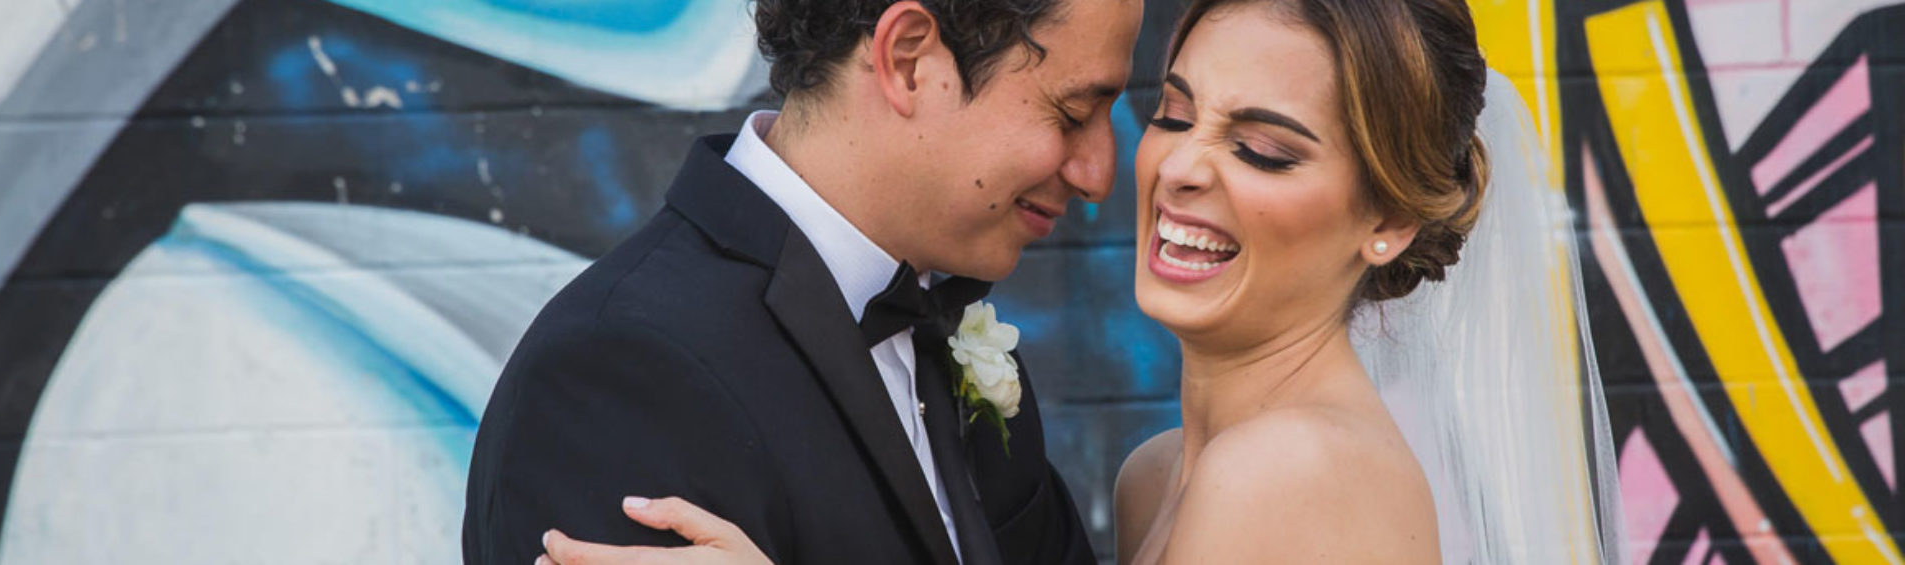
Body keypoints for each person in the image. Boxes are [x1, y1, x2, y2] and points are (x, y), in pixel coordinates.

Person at [533, 0, 1626, 563]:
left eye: (1267, 149)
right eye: (1178, 112)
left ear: (1388, 220)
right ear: (908, 55)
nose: (1151, 168)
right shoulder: (1163, 475)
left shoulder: (1298, 475)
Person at [460, 0, 1144, 564]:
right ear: (907, 59)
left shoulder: (954, 328)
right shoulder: (618, 373)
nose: (1099, 174)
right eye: (1072, 113)